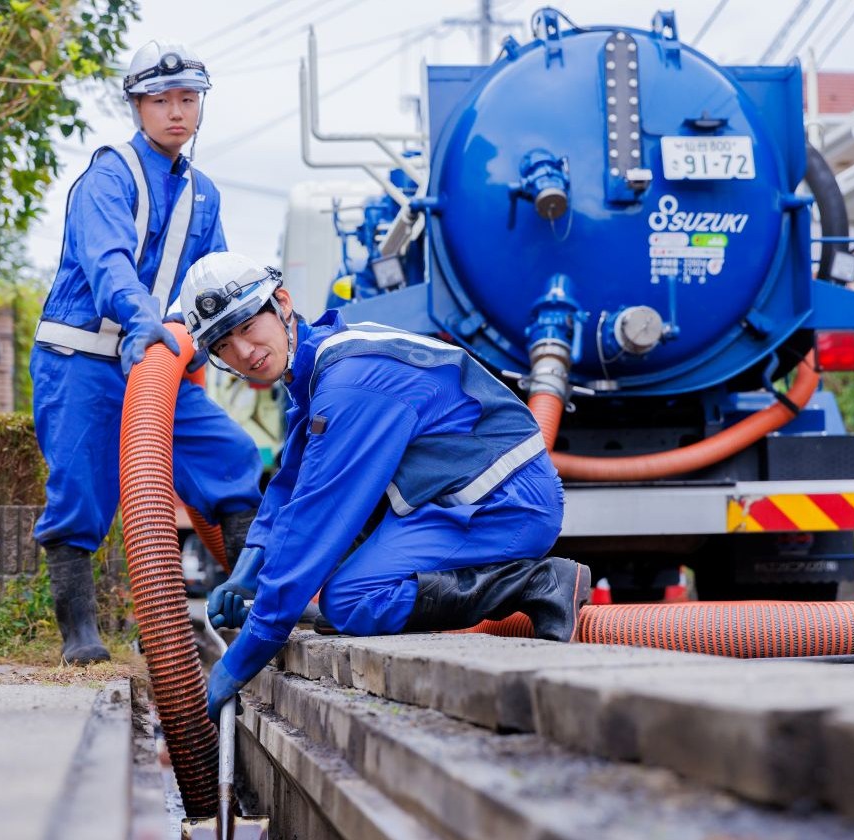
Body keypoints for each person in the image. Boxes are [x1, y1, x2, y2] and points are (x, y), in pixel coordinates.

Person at [179, 252, 590, 722]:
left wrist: (242, 658)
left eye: (248, 325)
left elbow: (315, 521)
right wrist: (247, 572)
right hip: (449, 498)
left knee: (351, 601)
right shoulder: (318, 366)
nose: (243, 351)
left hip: (502, 503)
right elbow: (290, 485)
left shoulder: (348, 383)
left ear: (283, 303)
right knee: (339, 599)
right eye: (223, 345)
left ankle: (538, 584)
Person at [30, 42, 263, 665]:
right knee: (79, 491)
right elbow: (107, 261)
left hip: (157, 364)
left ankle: (259, 611)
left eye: (188, 99)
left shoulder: (204, 194)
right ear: (137, 106)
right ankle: (79, 635)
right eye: (161, 101)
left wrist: (205, 342)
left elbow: (209, 280)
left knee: (231, 455)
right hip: (82, 360)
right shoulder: (108, 177)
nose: (177, 112)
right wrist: (143, 320)